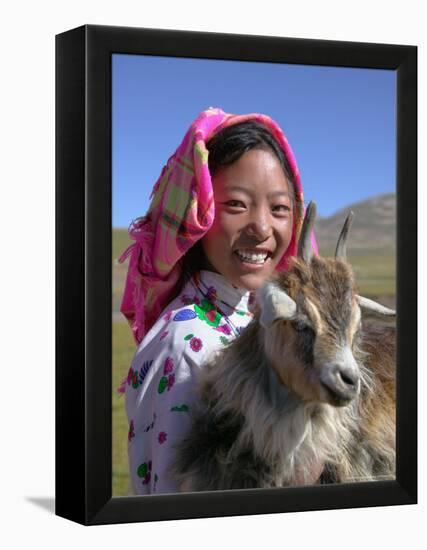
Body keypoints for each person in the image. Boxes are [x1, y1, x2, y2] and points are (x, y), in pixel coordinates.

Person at [118, 107, 315, 494]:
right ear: (198, 212)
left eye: (279, 208)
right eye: (236, 205)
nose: (262, 227)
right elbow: (173, 504)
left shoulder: (253, 319)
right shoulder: (190, 345)